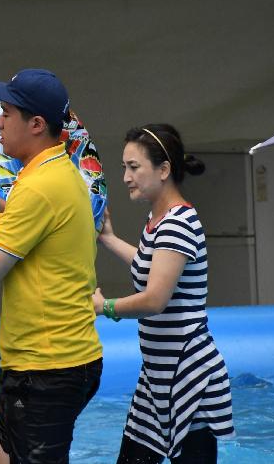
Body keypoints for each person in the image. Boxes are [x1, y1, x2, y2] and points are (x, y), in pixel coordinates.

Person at [0, 69, 103, 463]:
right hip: (46, 361)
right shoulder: (56, 172)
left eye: (7, 113)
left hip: (50, 366)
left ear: (37, 124)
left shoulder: (41, 187)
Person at [93, 124, 234, 463]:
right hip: (159, 374)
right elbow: (148, 265)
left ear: (164, 169)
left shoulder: (177, 224)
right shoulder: (159, 219)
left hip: (188, 376)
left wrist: (104, 306)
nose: (126, 176)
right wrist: (109, 238)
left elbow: (155, 300)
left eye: (134, 167)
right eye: (125, 166)